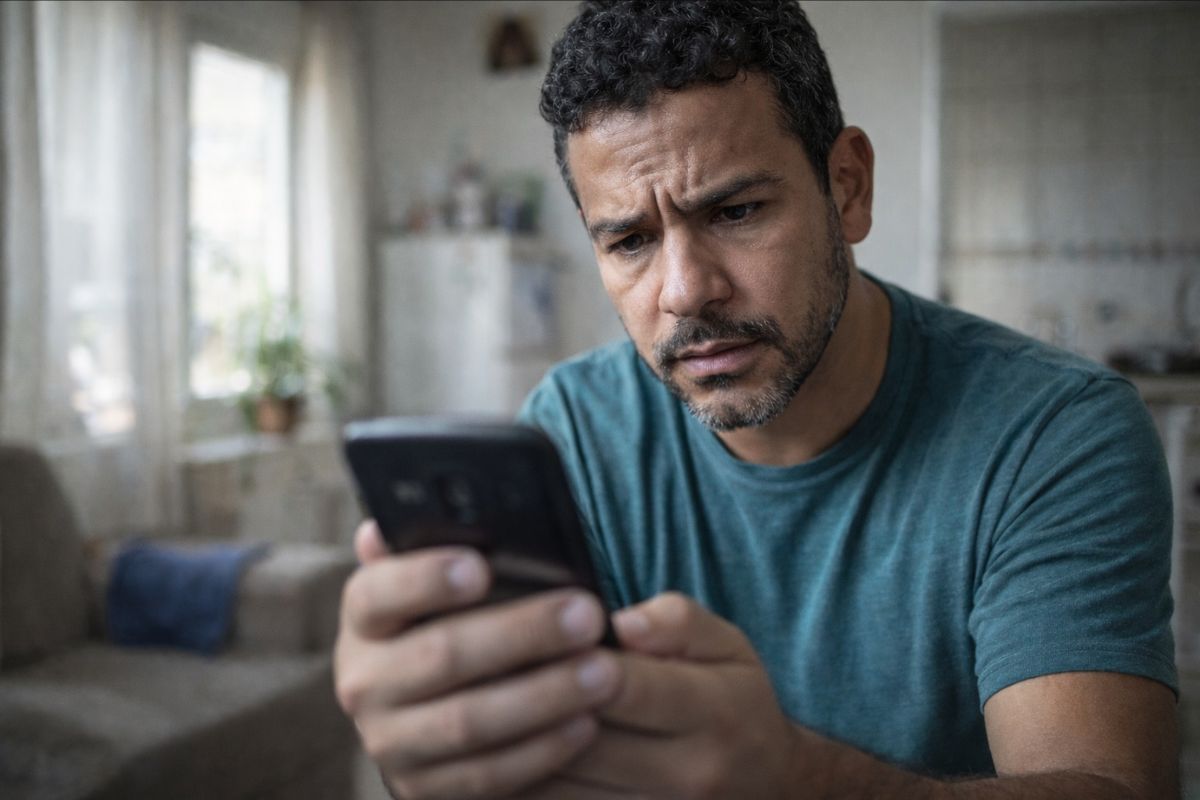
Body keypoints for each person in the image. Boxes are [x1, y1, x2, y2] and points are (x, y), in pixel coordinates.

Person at [335, 1, 1178, 797]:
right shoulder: (576, 433)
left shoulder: (1053, 433)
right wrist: (444, 748)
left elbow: (1107, 786)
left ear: (847, 187)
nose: (684, 292)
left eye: (736, 211)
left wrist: (793, 779)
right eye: (629, 241)